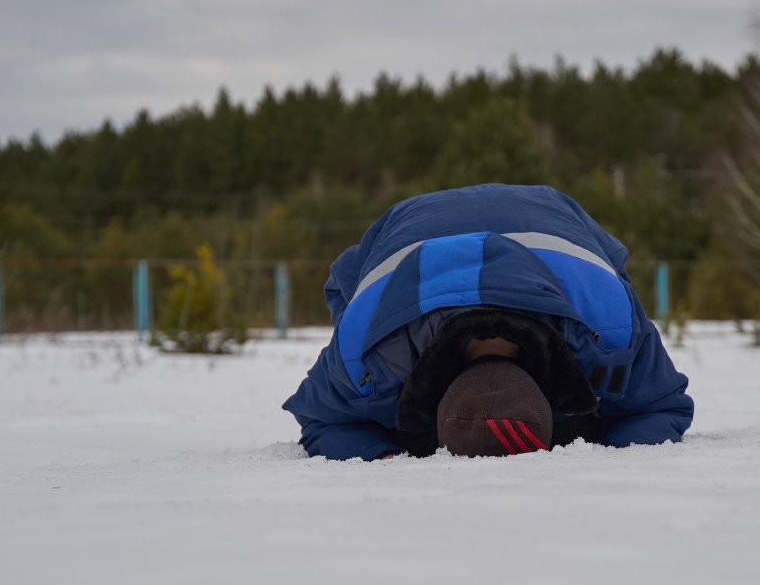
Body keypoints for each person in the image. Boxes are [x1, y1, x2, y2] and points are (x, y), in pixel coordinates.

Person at [283, 183, 694, 460]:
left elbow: (659, 407)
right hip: (407, 227)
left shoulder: (608, 327)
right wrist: (385, 457)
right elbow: (320, 417)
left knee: (614, 278)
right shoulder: (370, 357)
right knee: (349, 292)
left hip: (556, 221)